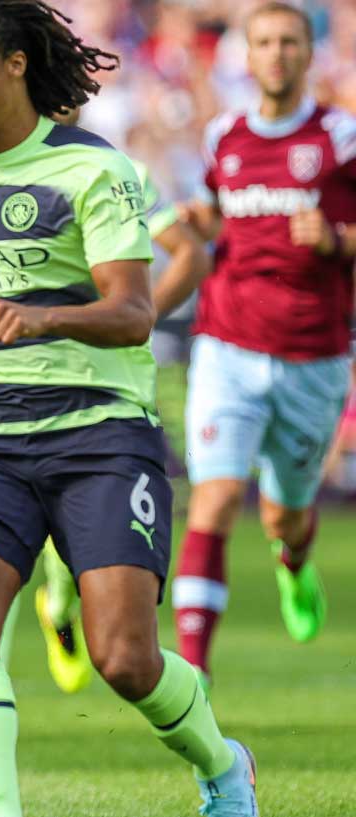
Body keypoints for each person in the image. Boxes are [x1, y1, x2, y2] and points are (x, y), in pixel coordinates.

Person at [0, 1, 262, 817]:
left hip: (98, 433)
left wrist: (42, 316)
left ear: (18, 65)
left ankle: (224, 769)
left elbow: (135, 311)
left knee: (125, 660)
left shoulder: (92, 169)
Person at [170, 2, 356, 684]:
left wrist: (336, 240)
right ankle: (194, 676)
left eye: (289, 42)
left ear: (310, 55)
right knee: (213, 500)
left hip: (314, 356)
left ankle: (295, 564)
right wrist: (201, 218)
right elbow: (222, 213)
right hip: (228, 345)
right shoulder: (224, 135)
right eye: (264, 43)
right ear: (246, 58)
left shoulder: (340, 138)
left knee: (284, 517)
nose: (276, 54)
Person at [9, 105, 213, 695]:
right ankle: (56, 612)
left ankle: (61, 605)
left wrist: (136, 316)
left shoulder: (116, 171)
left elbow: (191, 255)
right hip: (26, 392)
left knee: (114, 573)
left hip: (110, 394)